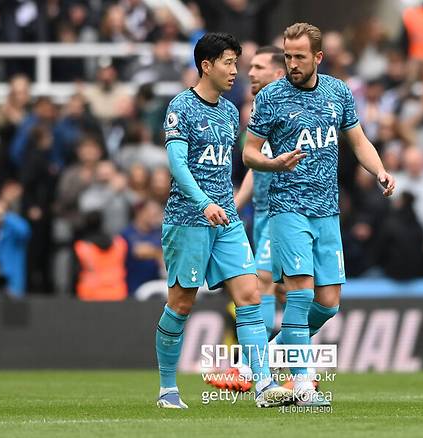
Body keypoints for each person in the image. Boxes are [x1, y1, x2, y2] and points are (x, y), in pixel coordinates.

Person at [243, 23, 395, 406]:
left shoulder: (338, 92)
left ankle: (276, 346)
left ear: (318, 58)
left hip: (327, 212)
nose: (292, 63)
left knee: (328, 303)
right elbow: (249, 153)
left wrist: (379, 171)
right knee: (299, 295)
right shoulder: (272, 97)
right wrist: (274, 164)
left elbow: (359, 141)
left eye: (300, 57)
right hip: (287, 209)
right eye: (288, 56)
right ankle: (303, 383)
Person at [155, 32, 291, 409]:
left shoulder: (232, 113)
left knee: (249, 295)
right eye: (229, 63)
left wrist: (227, 204)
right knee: (181, 304)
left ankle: (263, 385)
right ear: (206, 65)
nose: (236, 72)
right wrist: (203, 204)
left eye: (237, 63)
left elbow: (225, 169)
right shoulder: (181, 107)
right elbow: (178, 165)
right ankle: (168, 389)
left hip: (226, 219)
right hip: (189, 219)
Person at [207, 45, 287, 392]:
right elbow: (256, 163)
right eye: (247, 67)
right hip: (266, 215)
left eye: (257, 67)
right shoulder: (258, 112)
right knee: (283, 290)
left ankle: (251, 367)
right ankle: (299, 370)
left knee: (268, 285)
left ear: (278, 74)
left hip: (289, 212)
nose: (248, 73)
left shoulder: (289, 107)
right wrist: (237, 203)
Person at [120, 200, 164, 296]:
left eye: (158, 213)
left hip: (155, 287)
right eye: (152, 213)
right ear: (140, 212)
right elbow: (138, 252)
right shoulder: (127, 233)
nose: (156, 217)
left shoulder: (159, 233)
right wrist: (157, 253)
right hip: (132, 287)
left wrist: (154, 252)